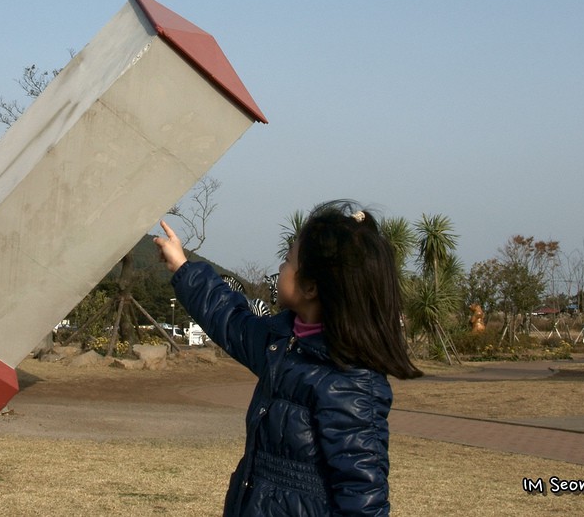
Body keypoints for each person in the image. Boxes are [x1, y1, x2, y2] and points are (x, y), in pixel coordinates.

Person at [154, 200, 422, 516]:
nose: (280, 267)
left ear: (310, 286)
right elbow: (230, 320)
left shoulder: (350, 381)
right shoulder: (280, 342)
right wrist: (183, 268)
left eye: (287, 260)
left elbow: (362, 497)